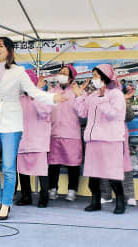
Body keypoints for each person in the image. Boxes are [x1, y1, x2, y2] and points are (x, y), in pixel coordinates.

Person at [0, 36, 67, 220]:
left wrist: (52, 99)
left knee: (9, 167)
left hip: (11, 124)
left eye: (1, 46)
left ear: (10, 51)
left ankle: (6, 204)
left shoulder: (18, 71)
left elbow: (33, 92)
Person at [73, 64, 128, 214]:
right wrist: (79, 96)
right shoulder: (93, 95)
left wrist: (103, 98)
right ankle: (95, 201)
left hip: (111, 140)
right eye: (93, 76)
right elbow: (83, 113)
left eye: (96, 76)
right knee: (93, 175)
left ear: (105, 76)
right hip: (93, 140)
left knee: (113, 174)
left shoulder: (116, 94)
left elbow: (113, 115)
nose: (94, 79)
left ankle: (120, 202)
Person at [47, 65, 83, 202]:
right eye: (60, 72)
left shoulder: (76, 92)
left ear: (71, 78)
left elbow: (83, 111)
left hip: (71, 133)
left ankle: (72, 190)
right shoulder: (52, 92)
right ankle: (52, 189)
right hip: (54, 133)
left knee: (73, 164)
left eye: (65, 73)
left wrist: (79, 95)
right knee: (53, 164)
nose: (61, 75)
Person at [16, 79, 53, 208]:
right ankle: (26, 196)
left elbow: (45, 112)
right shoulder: (18, 99)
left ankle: (44, 197)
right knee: (22, 170)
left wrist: (35, 95)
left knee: (41, 171)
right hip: (22, 139)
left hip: (39, 140)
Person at [100, 90, 137, 206]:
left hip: (120, 134)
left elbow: (130, 116)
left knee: (124, 164)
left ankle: (129, 195)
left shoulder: (122, 98)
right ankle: (106, 195)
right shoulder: (100, 97)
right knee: (105, 165)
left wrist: (124, 103)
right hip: (103, 133)